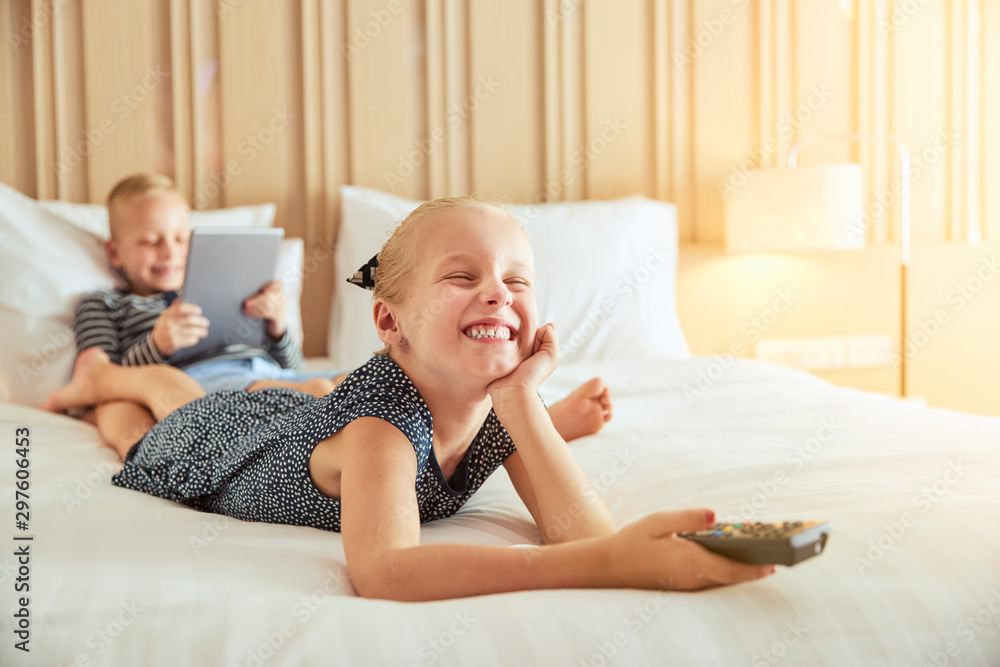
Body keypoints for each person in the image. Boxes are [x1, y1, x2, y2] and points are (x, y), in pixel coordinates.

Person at [45, 197, 773, 600]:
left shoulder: (496, 406)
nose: (497, 290)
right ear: (390, 322)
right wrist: (607, 566)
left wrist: (523, 400)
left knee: (293, 393)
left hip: (303, 415)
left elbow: (581, 527)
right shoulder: (381, 432)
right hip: (230, 442)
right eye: (463, 276)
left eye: (516, 280)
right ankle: (105, 382)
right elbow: (386, 570)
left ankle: (198, 389)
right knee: (153, 421)